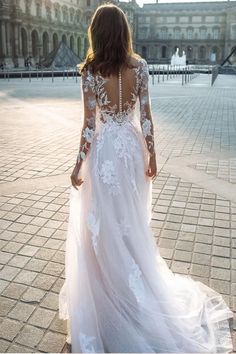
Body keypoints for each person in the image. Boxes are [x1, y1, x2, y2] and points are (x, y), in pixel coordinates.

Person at [58, 4, 233, 353]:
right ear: (124, 32)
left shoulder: (90, 71)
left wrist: (78, 165)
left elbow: (90, 126)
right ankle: (134, 291)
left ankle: (110, 294)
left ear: (96, 33)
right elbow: (147, 116)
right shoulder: (140, 67)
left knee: (103, 228)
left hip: (105, 155)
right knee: (131, 225)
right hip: (132, 152)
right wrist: (151, 155)